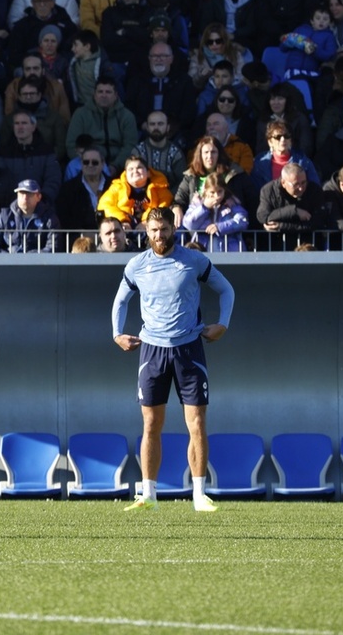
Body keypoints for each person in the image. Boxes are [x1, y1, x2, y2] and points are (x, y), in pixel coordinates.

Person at [111, 206, 235, 512]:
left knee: (197, 423)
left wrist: (223, 324)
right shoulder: (137, 265)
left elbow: (226, 290)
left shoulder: (194, 261)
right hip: (152, 351)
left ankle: (199, 495)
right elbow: (120, 301)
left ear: (173, 228)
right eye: (153, 230)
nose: (159, 235)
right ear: (146, 231)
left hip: (189, 349)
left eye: (164, 229)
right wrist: (117, 333)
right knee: (151, 423)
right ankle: (148, 495)